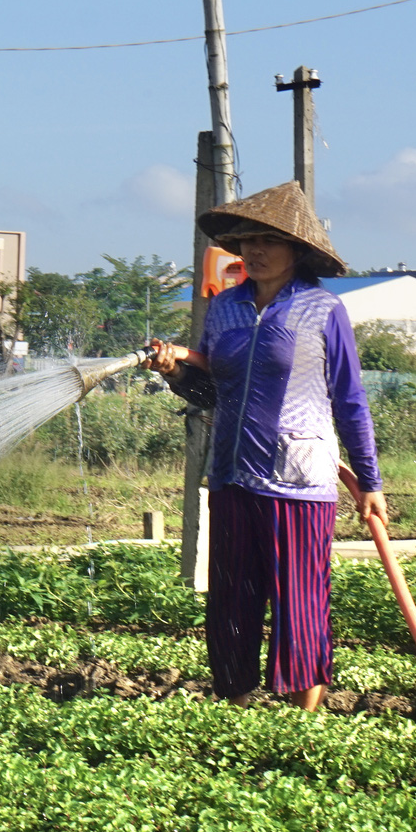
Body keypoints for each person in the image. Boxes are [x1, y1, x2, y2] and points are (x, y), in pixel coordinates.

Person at [147, 181, 386, 710]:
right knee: (232, 600)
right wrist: (173, 372)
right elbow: (210, 390)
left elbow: (350, 399)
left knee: (299, 601)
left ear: (297, 250)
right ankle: (237, 705)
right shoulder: (225, 308)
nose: (253, 251)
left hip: (300, 482)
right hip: (231, 475)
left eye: (268, 241)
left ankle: (304, 716)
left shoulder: (322, 310)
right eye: (247, 240)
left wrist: (369, 481)